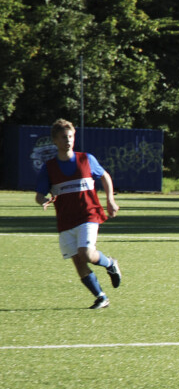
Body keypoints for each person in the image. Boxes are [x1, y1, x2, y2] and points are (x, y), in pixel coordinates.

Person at [35, 119, 122, 309]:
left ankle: (110, 264)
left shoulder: (86, 159)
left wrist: (110, 200)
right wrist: (44, 200)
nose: (68, 140)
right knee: (78, 261)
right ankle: (101, 297)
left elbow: (105, 176)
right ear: (55, 140)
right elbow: (39, 195)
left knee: (86, 253)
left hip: (88, 215)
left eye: (71, 136)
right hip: (66, 220)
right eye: (63, 137)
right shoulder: (49, 168)